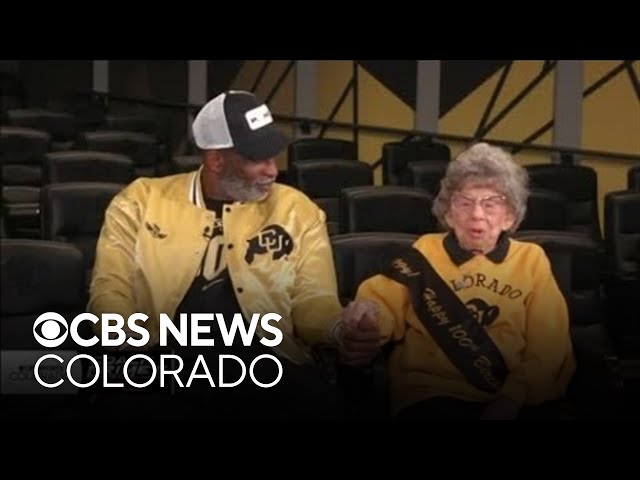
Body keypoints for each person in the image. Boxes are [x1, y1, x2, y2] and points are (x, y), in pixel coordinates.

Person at [87, 90, 379, 419]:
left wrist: (341, 330)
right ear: (216, 160)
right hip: (162, 353)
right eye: (258, 158)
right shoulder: (141, 200)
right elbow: (111, 285)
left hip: (263, 358)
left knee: (320, 405)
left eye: (274, 155)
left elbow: (313, 300)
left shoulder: (298, 210)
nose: (273, 170)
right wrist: (123, 335)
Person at [347, 142, 575, 419]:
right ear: (448, 213)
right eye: (464, 202)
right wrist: (367, 321)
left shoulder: (531, 259)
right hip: (431, 393)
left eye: (491, 204)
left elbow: (548, 344)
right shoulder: (424, 252)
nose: (477, 214)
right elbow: (379, 306)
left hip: (515, 395)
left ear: (510, 217)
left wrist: (511, 399)